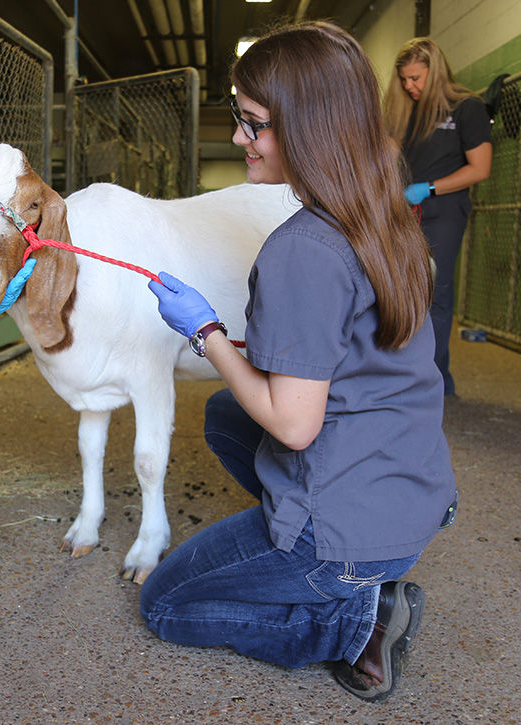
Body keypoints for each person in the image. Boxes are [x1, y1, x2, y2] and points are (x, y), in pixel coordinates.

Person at [142, 22, 457, 702]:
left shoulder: (303, 249)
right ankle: (349, 572)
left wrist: (207, 332)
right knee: (226, 412)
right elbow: (351, 349)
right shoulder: (383, 215)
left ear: (309, 128)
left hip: (351, 526)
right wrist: (270, 350)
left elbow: (293, 426)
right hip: (410, 487)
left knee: (166, 605)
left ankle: (357, 619)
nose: (238, 139)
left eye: (253, 124)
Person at [384, 37, 492, 396]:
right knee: (400, 293)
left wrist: (427, 188)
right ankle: (402, 375)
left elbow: (480, 168)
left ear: (435, 71)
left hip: (442, 211)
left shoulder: (467, 107)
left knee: (436, 294)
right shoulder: (405, 113)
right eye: (404, 79)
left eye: (416, 78)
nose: (409, 86)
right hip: (402, 213)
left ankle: (435, 381)